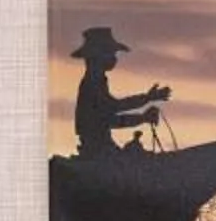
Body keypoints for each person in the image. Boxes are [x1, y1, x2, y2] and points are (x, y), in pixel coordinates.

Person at [71, 26, 169, 156]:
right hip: (98, 151)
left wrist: (146, 100)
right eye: (110, 53)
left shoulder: (96, 81)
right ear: (98, 55)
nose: (114, 58)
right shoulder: (92, 83)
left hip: (100, 147)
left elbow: (112, 110)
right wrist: (143, 114)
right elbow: (111, 114)